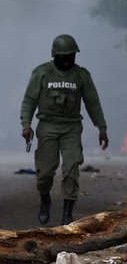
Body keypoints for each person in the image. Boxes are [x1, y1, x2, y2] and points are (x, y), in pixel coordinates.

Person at [20, 34, 109, 226]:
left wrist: (102, 128)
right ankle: (45, 200)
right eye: (64, 56)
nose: (68, 60)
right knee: (45, 172)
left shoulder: (81, 75)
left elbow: (93, 103)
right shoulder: (42, 73)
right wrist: (26, 125)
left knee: (71, 169)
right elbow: (29, 101)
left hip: (71, 128)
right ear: (55, 55)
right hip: (47, 126)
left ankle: (67, 213)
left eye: (71, 56)